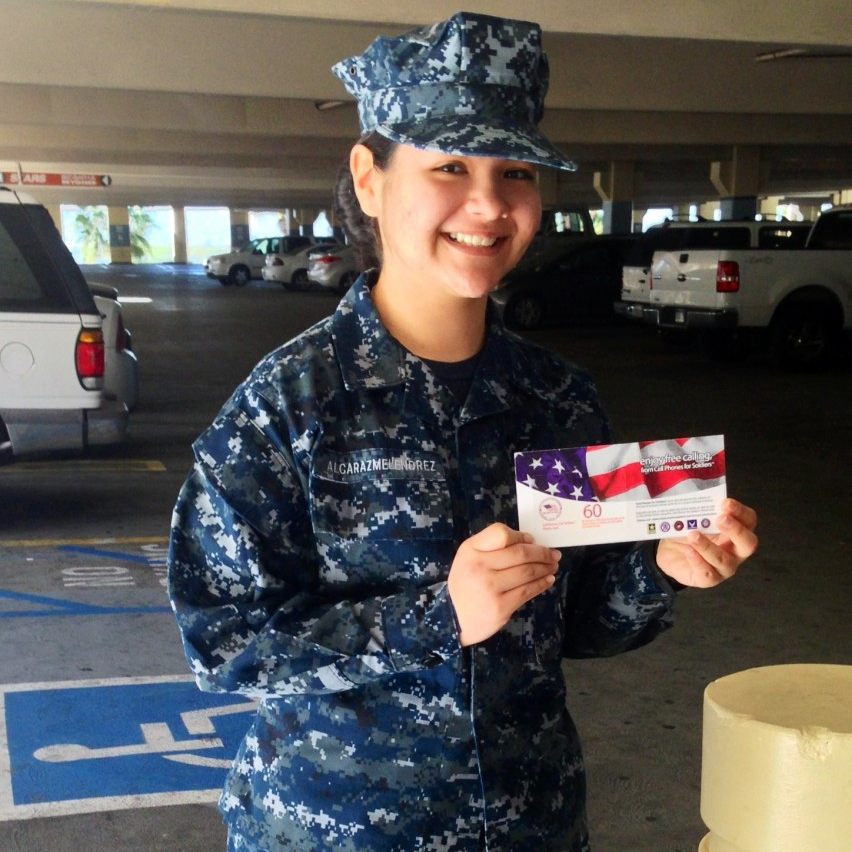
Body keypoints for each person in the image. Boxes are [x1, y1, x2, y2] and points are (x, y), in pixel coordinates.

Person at [167, 12, 758, 852]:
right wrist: (439, 615)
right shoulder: (286, 408)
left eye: (514, 171)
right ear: (369, 179)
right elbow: (223, 646)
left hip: (531, 822)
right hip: (336, 832)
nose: (487, 205)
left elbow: (581, 621)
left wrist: (662, 568)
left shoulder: (555, 395)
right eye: (449, 165)